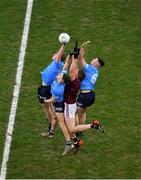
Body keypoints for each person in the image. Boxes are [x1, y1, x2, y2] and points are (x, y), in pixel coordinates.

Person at [44, 55, 74, 156]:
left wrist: (45, 100)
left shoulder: (58, 89)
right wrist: (70, 56)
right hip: (56, 102)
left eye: (60, 76)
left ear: (62, 81)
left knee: (62, 123)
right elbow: (66, 64)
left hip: (58, 104)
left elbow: (53, 99)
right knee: (54, 117)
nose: (59, 74)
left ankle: (69, 143)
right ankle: (51, 133)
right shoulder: (62, 77)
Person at [37, 44, 66, 138]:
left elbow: (60, 54)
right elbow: (60, 56)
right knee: (49, 107)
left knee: (46, 108)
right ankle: (51, 122)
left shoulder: (57, 63)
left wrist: (64, 44)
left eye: (56, 54)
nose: (55, 54)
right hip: (49, 88)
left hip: (45, 89)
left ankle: (50, 124)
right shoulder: (59, 64)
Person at [76, 47, 105, 128]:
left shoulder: (90, 68)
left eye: (95, 59)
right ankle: (80, 130)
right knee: (83, 113)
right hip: (91, 95)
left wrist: (82, 49)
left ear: (97, 64)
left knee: (75, 114)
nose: (93, 59)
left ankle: (77, 130)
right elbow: (81, 60)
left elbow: (81, 59)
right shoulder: (96, 71)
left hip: (85, 95)